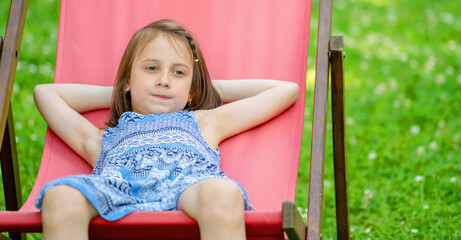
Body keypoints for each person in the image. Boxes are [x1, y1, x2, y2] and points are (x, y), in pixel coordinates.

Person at [33, 19, 298, 240]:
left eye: (179, 73)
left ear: (192, 89)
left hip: (188, 188)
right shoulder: (101, 139)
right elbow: (45, 93)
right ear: (127, 80)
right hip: (118, 189)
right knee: (60, 195)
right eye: (151, 69)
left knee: (223, 191)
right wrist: (124, 91)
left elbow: (286, 90)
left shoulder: (205, 122)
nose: (163, 81)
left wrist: (204, 89)